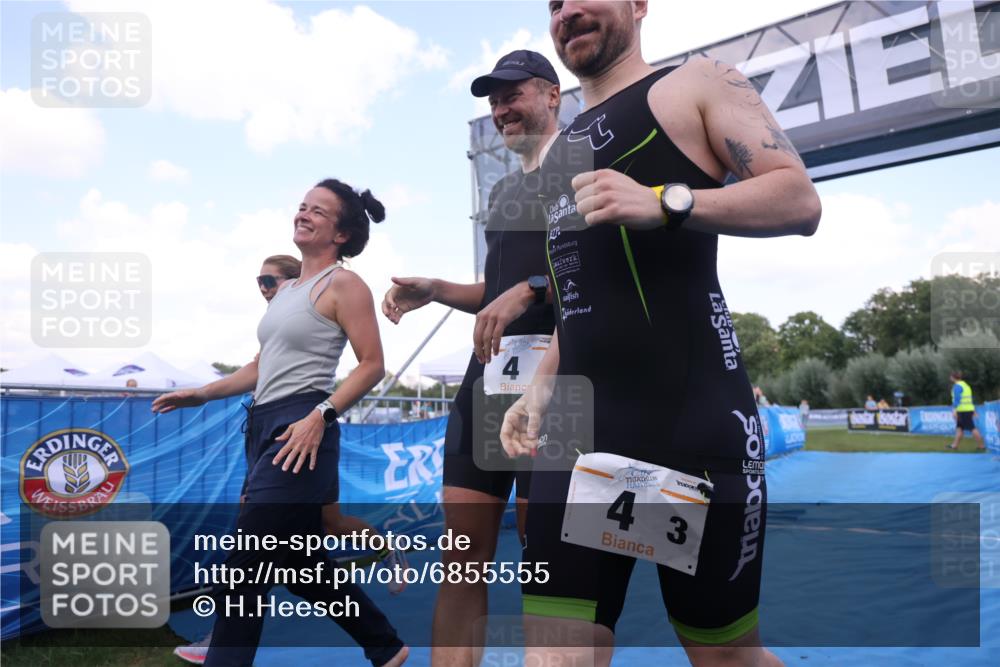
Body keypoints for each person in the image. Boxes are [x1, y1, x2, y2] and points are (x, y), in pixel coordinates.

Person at [500, 2, 821, 666]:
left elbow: (798, 199)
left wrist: (665, 201)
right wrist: (537, 390)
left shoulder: (696, 83)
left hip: (690, 431)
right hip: (583, 443)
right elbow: (576, 289)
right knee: (555, 655)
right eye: (554, 2)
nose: (570, 10)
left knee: (725, 656)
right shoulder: (560, 151)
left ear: (640, 4)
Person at [153, 179, 408, 667]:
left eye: (318, 210)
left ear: (341, 233)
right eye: (301, 206)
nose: (304, 213)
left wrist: (321, 414)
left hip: (301, 428)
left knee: (247, 562)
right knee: (298, 562)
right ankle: (385, 646)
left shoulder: (344, 284)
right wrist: (202, 393)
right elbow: (259, 367)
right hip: (263, 425)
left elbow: (372, 363)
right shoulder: (287, 289)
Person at [381, 49, 560, 665]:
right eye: (494, 100)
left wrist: (534, 288)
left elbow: (606, 277)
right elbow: (496, 293)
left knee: (550, 569)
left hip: (560, 385)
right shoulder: (506, 190)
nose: (501, 109)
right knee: (461, 563)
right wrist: (435, 291)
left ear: (552, 96)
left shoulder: (587, 169)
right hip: (486, 386)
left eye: (514, 95)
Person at [947, 371, 985, 451]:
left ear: (953, 377)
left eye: (950, 376)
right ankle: (955, 445)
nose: (950, 378)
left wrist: (954, 410)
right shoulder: (966, 385)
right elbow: (969, 399)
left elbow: (957, 399)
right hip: (967, 409)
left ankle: (981, 446)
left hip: (963, 410)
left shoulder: (957, 386)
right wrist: (973, 410)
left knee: (972, 428)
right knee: (959, 428)